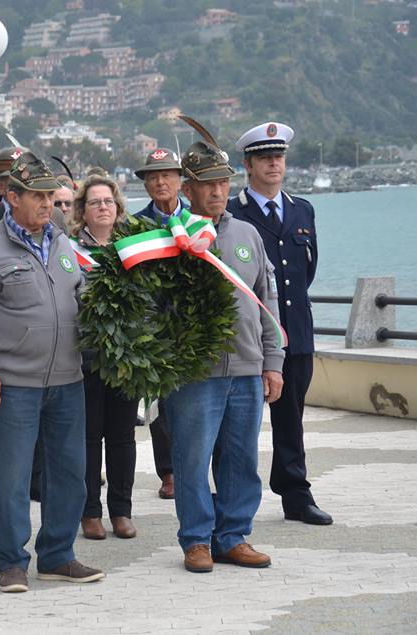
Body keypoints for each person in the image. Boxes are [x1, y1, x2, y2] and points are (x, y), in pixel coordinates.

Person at [0, 152, 104, 593]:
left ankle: (57, 556)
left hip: (67, 381)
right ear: (11, 197)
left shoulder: (62, 243)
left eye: (50, 196)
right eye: (37, 196)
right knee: (13, 479)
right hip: (12, 384)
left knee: (70, 475)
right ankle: (12, 563)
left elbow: (82, 297)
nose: (47, 203)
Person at [167, 128, 284, 573]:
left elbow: (267, 301)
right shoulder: (168, 238)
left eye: (223, 183)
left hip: (248, 369)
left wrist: (273, 363)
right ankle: (197, 540)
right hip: (195, 373)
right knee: (192, 460)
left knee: (241, 459)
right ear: (188, 189)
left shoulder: (248, 234)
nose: (217, 192)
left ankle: (233, 536)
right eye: (208, 184)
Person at [229, 122, 331, 526]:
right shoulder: (233, 213)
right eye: (265, 158)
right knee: (237, 425)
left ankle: (296, 496)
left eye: (279, 157)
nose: (274, 164)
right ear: (248, 165)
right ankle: (231, 499)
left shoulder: (303, 210)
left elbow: (307, 271)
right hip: (248, 337)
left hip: (295, 333)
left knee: (291, 420)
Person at [69, 174, 140, 541]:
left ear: (117, 208)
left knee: (122, 438)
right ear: (82, 211)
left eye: (108, 202)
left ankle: (121, 510)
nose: (102, 207)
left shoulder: (132, 248)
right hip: (86, 359)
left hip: (126, 359)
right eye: (94, 202)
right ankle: (90, 512)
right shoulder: (68, 250)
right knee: (89, 438)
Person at [132, 148, 189, 500]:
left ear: (180, 180)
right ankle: (168, 472)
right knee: (160, 404)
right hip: (153, 327)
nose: (160, 182)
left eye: (167, 175)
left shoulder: (198, 221)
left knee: (198, 403)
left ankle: (195, 468)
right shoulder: (134, 225)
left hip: (195, 326)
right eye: (153, 177)